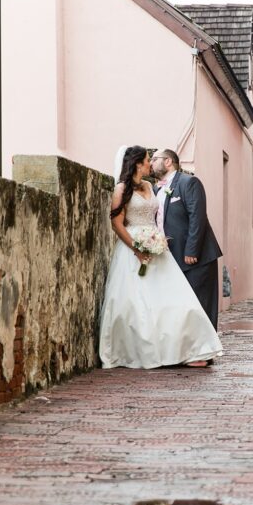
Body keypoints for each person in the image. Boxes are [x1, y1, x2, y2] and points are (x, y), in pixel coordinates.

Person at [98, 146, 222, 369]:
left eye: (153, 159)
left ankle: (191, 349)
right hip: (132, 249)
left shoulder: (152, 186)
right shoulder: (121, 189)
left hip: (158, 250)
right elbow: (116, 223)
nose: (150, 163)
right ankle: (145, 351)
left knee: (178, 303)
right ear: (137, 163)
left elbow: (188, 217)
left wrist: (157, 242)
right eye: (147, 160)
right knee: (137, 305)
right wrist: (136, 247)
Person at [150, 149, 223, 330]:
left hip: (196, 258)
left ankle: (205, 351)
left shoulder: (189, 182)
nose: (150, 163)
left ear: (168, 161)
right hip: (169, 258)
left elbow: (197, 217)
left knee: (200, 306)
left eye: (154, 159)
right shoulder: (154, 189)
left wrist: (192, 250)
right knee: (180, 308)